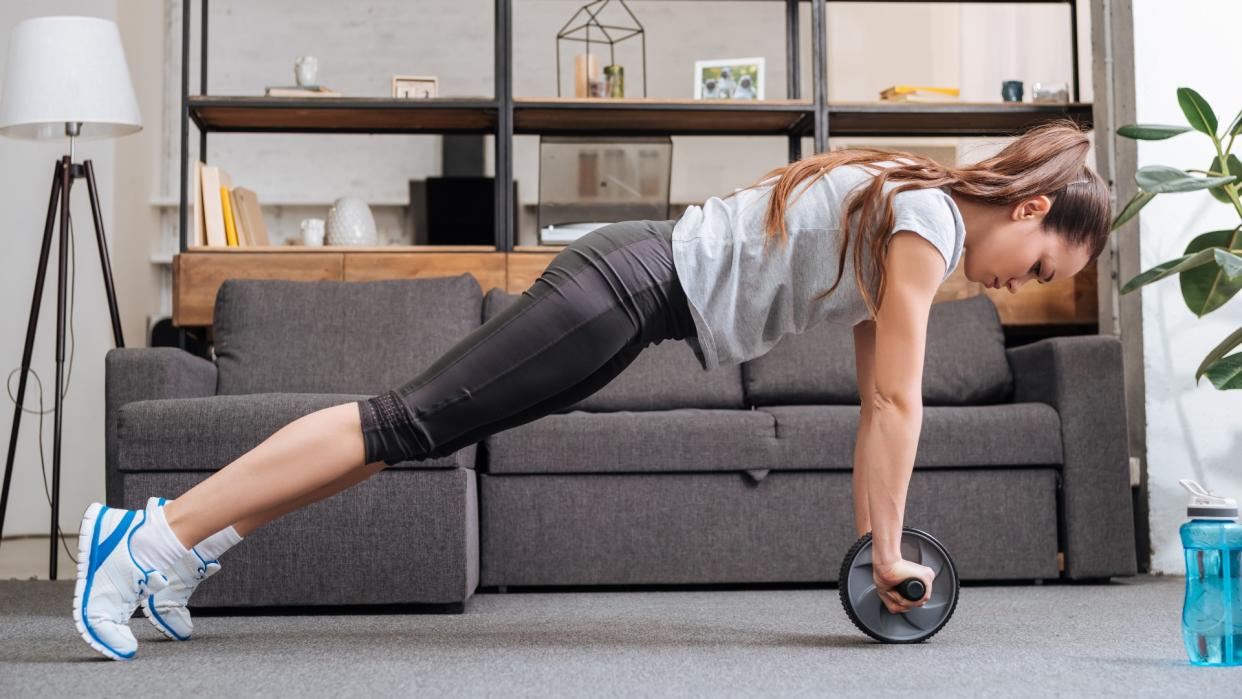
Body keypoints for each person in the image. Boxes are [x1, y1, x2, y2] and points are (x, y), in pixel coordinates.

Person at [73, 118, 1111, 660]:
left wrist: (880, 540)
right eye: (1041, 267)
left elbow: (874, 403)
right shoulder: (927, 221)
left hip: (637, 303)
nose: (1021, 291)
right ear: (1025, 206)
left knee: (409, 435)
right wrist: (886, 553)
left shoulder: (908, 212)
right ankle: (143, 544)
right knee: (402, 418)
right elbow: (897, 406)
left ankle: (183, 543)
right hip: (629, 287)